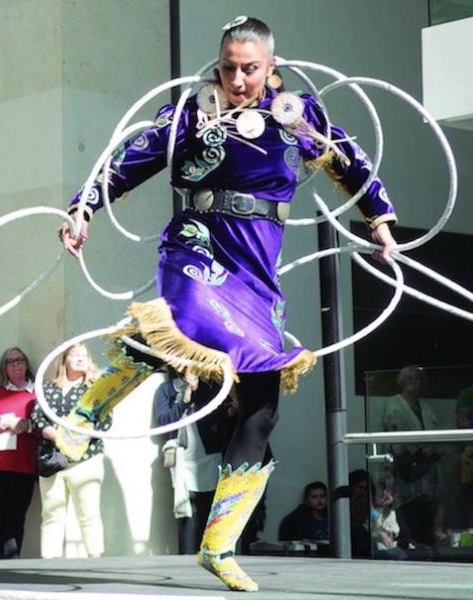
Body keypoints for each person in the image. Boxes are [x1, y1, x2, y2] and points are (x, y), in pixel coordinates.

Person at [59, 16, 397, 591]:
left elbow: (351, 161)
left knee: (263, 401)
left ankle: (219, 544)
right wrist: (85, 205)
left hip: (257, 268)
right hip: (197, 243)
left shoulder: (301, 114)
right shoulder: (192, 112)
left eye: (250, 68)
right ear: (217, 65)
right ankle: (86, 414)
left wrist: (381, 223)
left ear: (271, 66)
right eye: (229, 67)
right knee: (183, 327)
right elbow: (131, 156)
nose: (238, 79)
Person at [31, 343, 111, 559]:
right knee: (51, 513)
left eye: (84, 355)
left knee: (88, 513)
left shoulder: (97, 389)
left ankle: (95, 560)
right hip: (53, 459)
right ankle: (50, 562)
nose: (79, 358)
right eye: (74, 354)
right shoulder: (48, 388)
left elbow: (105, 422)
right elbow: (37, 416)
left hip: (86, 459)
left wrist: (75, 436)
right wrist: (50, 432)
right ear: (64, 359)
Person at [154, 369, 235, 554]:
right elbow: (164, 419)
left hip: (209, 457)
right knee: (187, 513)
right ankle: (186, 559)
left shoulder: (210, 387)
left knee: (210, 510)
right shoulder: (167, 389)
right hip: (183, 460)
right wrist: (184, 398)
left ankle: (211, 555)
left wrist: (199, 391)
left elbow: (221, 415)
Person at [0, 347, 38, 558]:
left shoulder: (36, 393)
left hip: (23, 466)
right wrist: (5, 422)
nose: (16, 364)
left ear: (26, 363)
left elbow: (44, 426)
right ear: (4, 367)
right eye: (10, 361)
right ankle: (0, 564)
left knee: (16, 518)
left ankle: (12, 562)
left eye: (20, 360)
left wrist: (27, 425)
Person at [382, 366, 443, 548]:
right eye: (408, 377)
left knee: (427, 525)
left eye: (416, 377)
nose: (412, 380)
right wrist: (423, 451)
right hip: (406, 473)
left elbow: (437, 432)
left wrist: (436, 449)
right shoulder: (394, 405)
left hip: (428, 473)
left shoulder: (425, 406)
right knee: (409, 523)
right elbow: (397, 438)